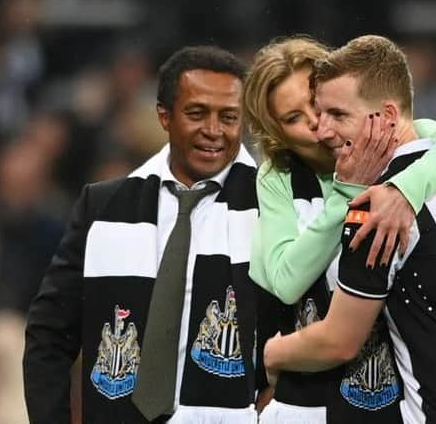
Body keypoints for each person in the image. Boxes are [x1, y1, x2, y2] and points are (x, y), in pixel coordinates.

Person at [263, 35, 436, 424]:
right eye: (317, 114)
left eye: (338, 115)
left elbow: (339, 341)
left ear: (388, 117)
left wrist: (273, 353)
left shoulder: (379, 211)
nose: (323, 131)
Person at [24, 46, 266, 424]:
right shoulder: (102, 206)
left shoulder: (269, 210)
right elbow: (49, 336)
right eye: (197, 113)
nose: (214, 131)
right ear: (164, 116)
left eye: (229, 117)